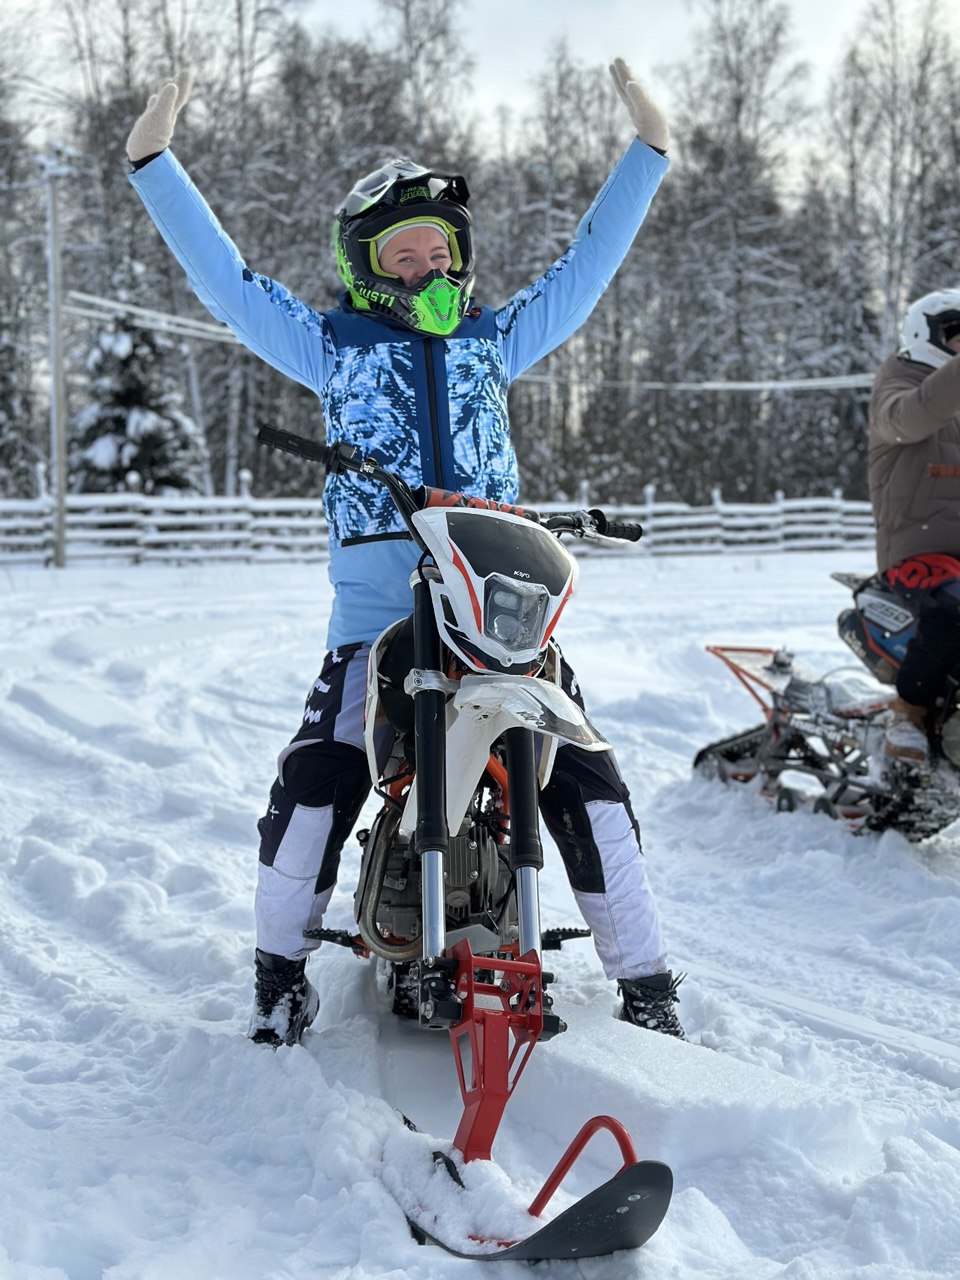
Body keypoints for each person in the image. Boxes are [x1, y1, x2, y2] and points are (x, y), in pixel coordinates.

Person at [125, 59, 685, 1047]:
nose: (426, 267)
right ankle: (277, 969)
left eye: (439, 249)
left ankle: (646, 983)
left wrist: (649, 150)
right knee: (317, 778)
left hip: (498, 606)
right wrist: (155, 162)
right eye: (402, 253)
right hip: (378, 614)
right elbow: (226, 282)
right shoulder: (328, 344)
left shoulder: (495, 339)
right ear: (365, 265)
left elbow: (584, 272)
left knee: (587, 781)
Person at [868, 288, 960, 763]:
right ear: (928, 335)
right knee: (954, 608)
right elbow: (909, 419)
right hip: (919, 553)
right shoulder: (897, 381)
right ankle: (907, 712)